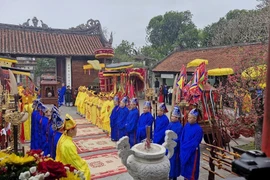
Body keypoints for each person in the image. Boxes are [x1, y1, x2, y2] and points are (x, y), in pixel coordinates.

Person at [180, 108, 203, 180]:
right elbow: (182, 136)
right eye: (188, 117)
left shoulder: (198, 129)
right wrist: (182, 146)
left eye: (190, 118)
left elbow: (195, 142)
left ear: (195, 118)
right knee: (185, 168)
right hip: (185, 149)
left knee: (192, 169)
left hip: (193, 152)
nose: (188, 119)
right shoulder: (186, 125)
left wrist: (186, 148)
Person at [166, 106, 183, 180]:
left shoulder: (179, 126)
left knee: (174, 164)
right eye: (172, 116)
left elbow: (179, 138)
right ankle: (169, 176)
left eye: (174, 116)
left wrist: (172, 144)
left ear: (177, 118)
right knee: (169, 162)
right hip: (168, 146)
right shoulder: (170, 124)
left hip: (174, 148)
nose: (172, 117)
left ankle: (174, 177)